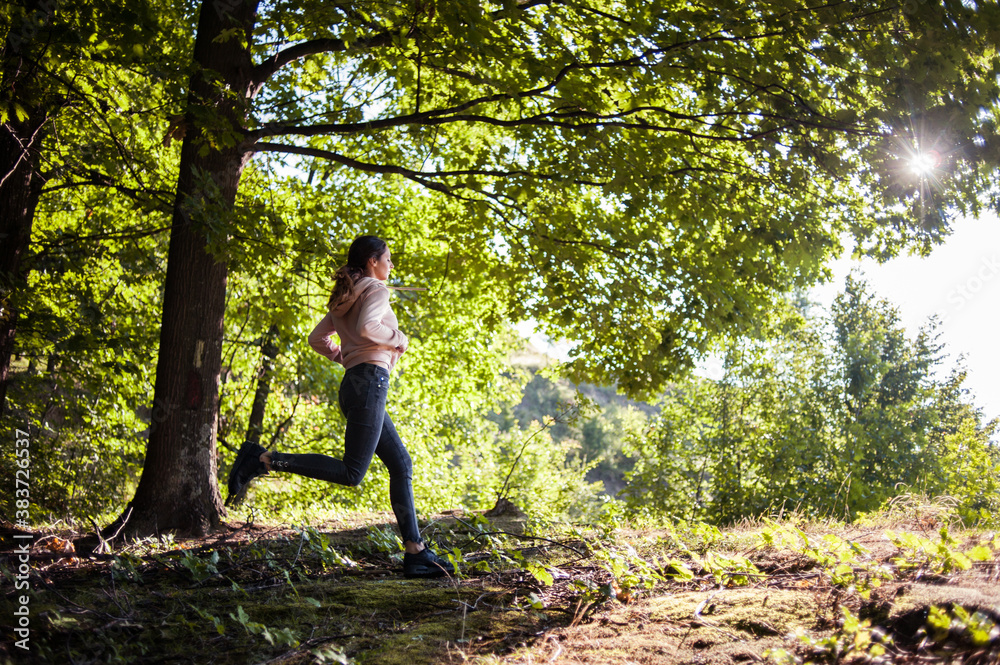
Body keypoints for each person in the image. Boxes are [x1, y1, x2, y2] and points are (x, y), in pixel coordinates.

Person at [226, 235, 455, 579]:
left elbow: (318, 339)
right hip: (369, 385)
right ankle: (262, 459)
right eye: (388, 259)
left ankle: (416, 551)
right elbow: (368, 327)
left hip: (354, 385)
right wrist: (400, 340)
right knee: (352, 473)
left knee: (401, 463)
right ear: (372, 262)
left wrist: (345, 357)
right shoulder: (376, 290)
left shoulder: (347, 294)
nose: (392, 266)